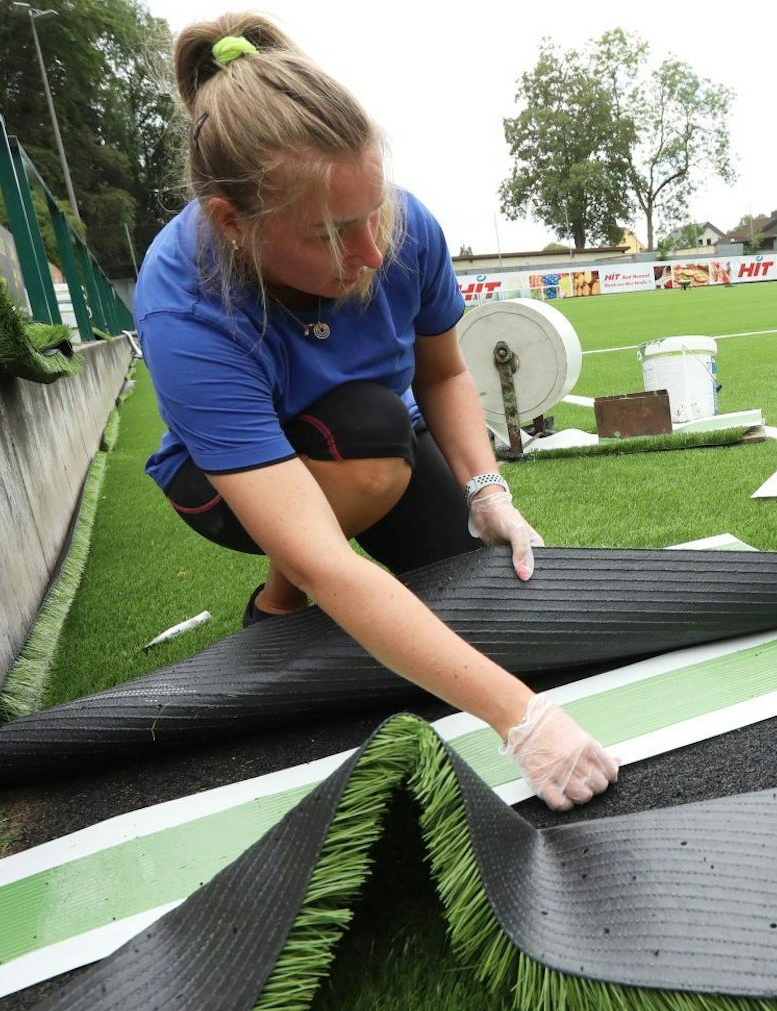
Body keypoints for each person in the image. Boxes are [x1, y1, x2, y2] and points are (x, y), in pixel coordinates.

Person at [133, 14, 615, 811]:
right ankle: (275, 604)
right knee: (368, 438)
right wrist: (520, 719)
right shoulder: (184, 302)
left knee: (470, 595)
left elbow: (446, 372)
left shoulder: (405, 227)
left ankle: (342, 565)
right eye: (329, 233)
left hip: (379, 441)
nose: (367, 255)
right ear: (232, 224)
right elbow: (330, 559)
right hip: (225, 482)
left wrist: (486, 489)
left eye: (372, 214)